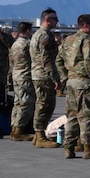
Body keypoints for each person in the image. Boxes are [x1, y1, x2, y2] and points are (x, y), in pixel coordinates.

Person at [57, 14, 90, 157]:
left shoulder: (68, 40)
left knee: (72, 116)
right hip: (85, 83)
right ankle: (89, 148)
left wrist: (65, 77)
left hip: (72, 82)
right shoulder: (87, 40)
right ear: (85, 25)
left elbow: (58, 60)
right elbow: (89, 61)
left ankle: (69, 148)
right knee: (87, 116)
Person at [28, 9, 62, 146]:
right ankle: (40, 135)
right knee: (44, 105)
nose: (57, 21)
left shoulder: (39, 34)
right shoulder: (45, 37)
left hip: (39, 74)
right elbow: (47, 60)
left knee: (44, 105)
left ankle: (38, 135)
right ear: (47, 20)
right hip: (43, 75)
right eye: (54, 19)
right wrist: (55, 78)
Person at [8, 23, 35, 139]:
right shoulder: (28, 44)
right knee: (26, 103)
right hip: (25, 75)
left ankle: (14, 126)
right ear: (28, 31)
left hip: (16, 74)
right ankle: (19, 129)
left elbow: (11, 61)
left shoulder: (15, 44)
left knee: (17, 102)